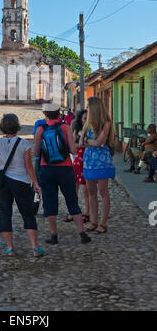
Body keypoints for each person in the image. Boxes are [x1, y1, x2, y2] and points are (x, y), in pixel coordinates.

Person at [0, 114, 44, 257]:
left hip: (4, 183)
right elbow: (28, 167)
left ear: (2, 126)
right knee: (27, 214)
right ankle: (35, 247)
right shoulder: (24, 144)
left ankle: (10, 247)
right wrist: (35, 182)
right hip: (21, 181)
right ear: (17, 126)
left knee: (5, 213)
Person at [34, 103, 91, 245]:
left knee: (49, 201)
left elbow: (36, 153)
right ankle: (82, 232)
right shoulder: (65, 128)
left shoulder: (41, 129)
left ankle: (54, 235)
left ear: (45, 114)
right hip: (65, 169)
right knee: (72, 199)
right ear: (59, 113)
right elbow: (73, 150)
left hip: (46, 169)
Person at [82, 97, 115, 235]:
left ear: (94, 108)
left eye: (88, 106)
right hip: (89, 160)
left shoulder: (106, 123)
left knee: (103, 191)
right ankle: (94, 221)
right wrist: (89, 141)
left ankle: (103, 223)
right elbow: (82, 141)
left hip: (101, 161)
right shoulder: (88, 124)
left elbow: (98, 142)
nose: (87, 109)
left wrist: (87, 140)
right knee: (91, 191)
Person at [64, 110, 90, 223]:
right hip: (78, 160)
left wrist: (82, 145)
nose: (86, 120)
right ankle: (73, 212)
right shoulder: (77, 131)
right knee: (74, 188)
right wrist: (84, 145)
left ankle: (87, 213)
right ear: (80, 119)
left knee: (87, 190)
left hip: (89, 160)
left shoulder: (91, 131)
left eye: (88, 118)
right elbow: (72, 146)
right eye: (85, 118)